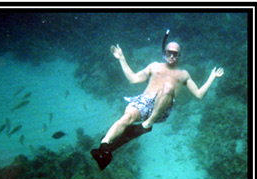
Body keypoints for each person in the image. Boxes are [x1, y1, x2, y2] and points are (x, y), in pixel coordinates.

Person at [91, 32, 224, 170]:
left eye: (175, 53)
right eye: (169, 52)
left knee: (168, 87)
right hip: (144, 101)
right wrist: (121, 58)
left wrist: (212, 77)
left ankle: (148, 123)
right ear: (164, 53)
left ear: (179, 56)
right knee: (126, 118)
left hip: (162, 108)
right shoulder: (154, 66)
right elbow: (133, 79)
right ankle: (104, 147)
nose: (172, 56)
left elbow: (199, 95)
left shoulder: (184, 74)